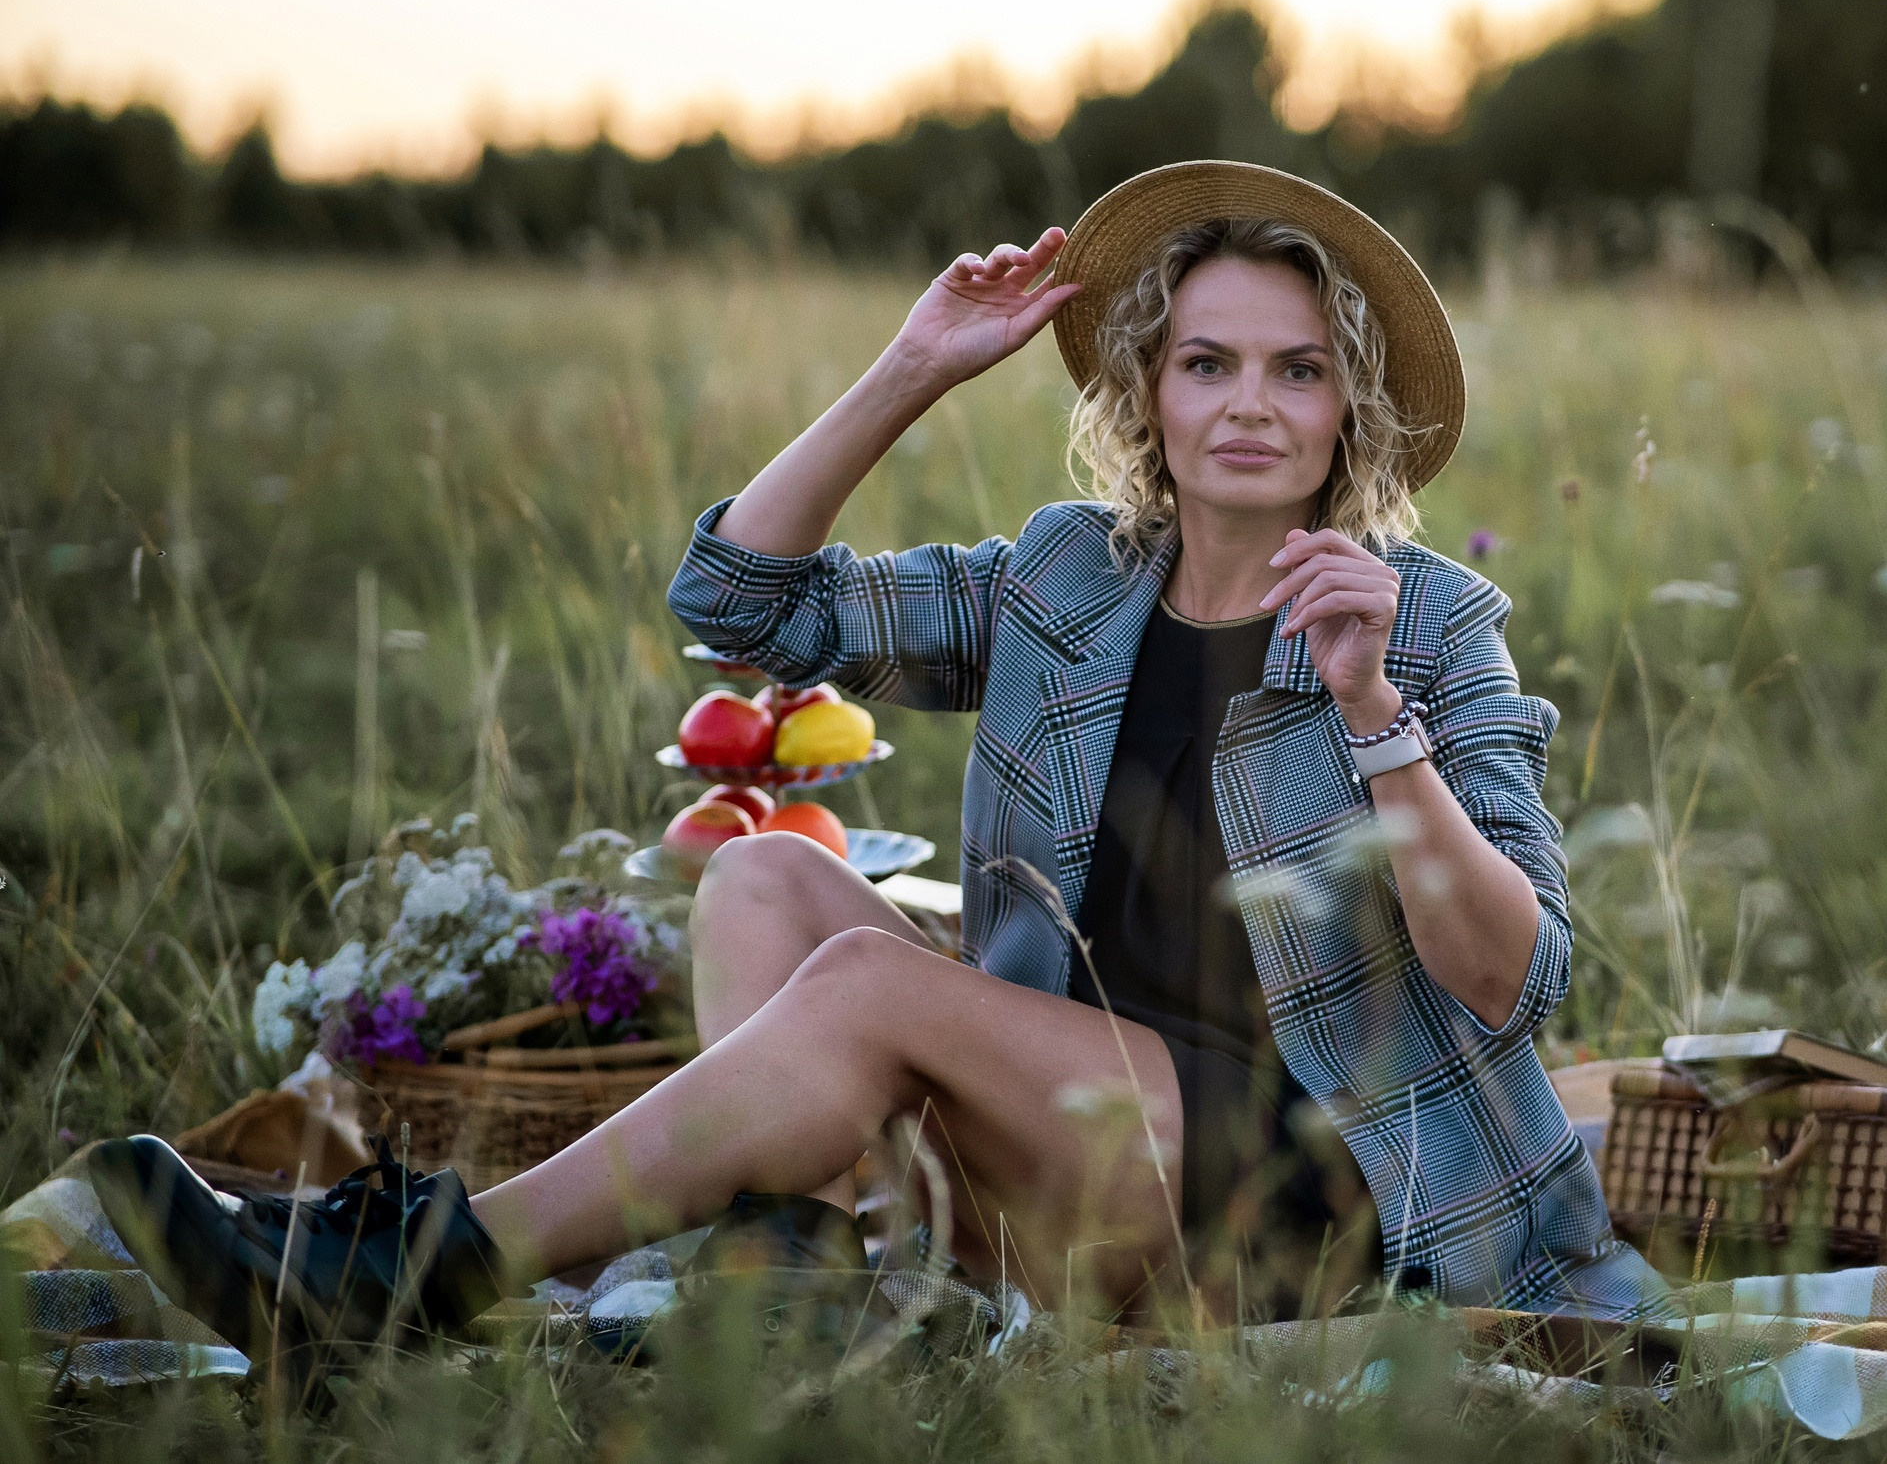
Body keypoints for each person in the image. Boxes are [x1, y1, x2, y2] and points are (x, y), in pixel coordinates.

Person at [90, 161, 1665, 1350]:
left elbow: (1516, 983)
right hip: (1067, 1152)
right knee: (768, 876)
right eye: (1206, 363)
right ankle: (778, 1265)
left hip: (1308, 1207)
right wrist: (909, 368)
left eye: (1297, 369)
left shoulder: (1433, 620)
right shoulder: (1067, 583)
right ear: (1148, 393)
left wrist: (1378, 716)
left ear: (1347, 413)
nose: (1249, 404)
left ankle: (416, 1276)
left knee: (866, 985)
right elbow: (738, 602)